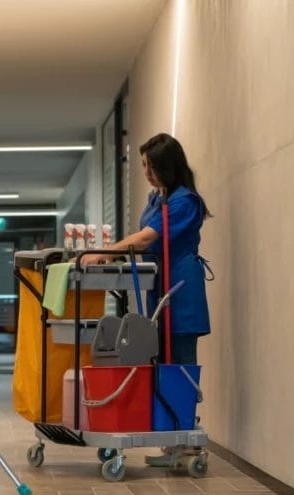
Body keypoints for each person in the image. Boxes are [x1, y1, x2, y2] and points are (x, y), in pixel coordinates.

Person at [79, 133, 212, 465]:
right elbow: (143, 239)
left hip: (181, 291)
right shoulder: (158, 199)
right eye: (142, 165)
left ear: (167, 166)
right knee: (160, 363)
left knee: (178, 364)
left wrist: (105, 252)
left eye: (150, 166)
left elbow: (147, 237)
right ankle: (171, 437)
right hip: (158, 288)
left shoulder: (185, 201)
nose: (145, 172)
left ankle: (185, 440)